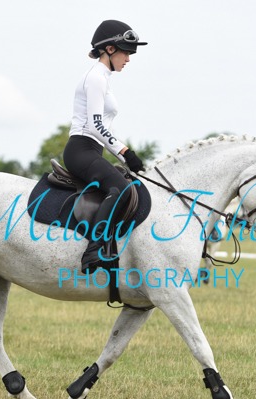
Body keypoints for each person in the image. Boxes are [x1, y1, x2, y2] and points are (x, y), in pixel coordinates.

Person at [62, 19, 147, 273]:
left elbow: (102, 126)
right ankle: (94, 249)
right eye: (126, 52)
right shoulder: (96, 78)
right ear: (110, 49)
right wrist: (125, 152)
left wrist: (123, 156)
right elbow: (95, 125)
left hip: (92, 149)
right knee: (121, 188)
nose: (128, 59)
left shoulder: (103, 78)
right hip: (81, 149)